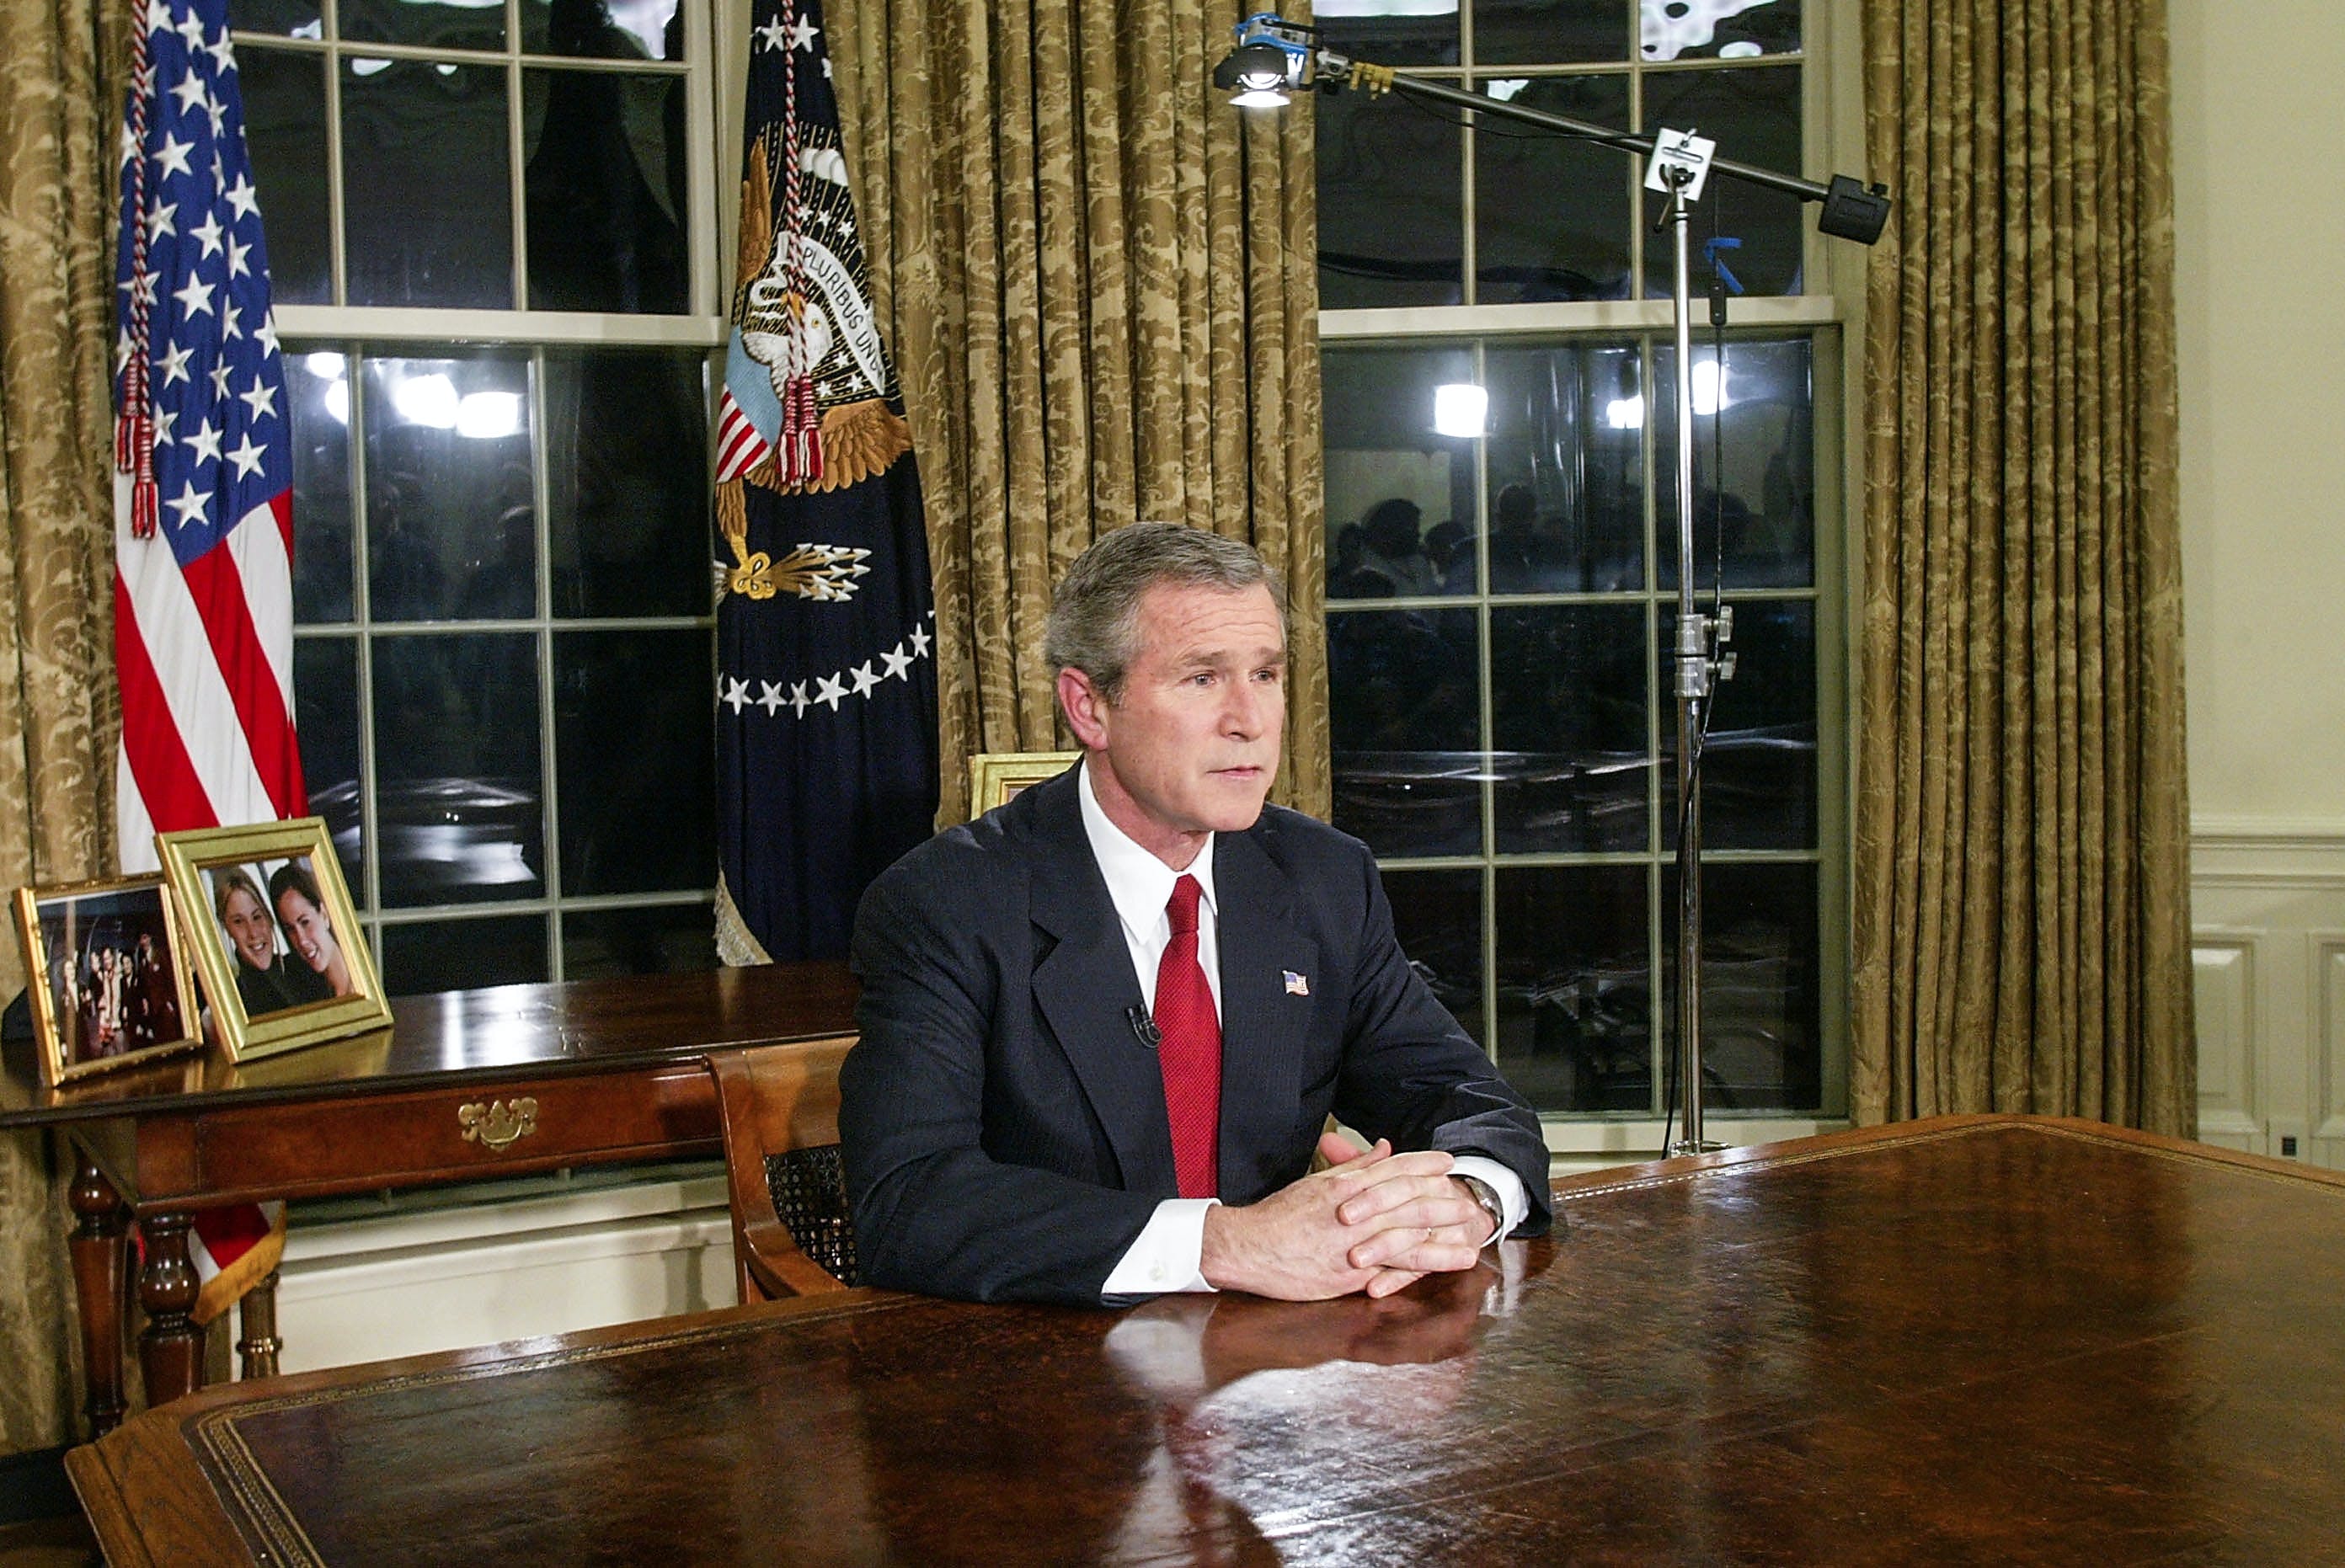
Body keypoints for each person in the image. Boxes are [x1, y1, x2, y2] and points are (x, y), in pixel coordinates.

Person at [841, 523, 1551, 1308]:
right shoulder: (946, 903)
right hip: (1053, 1351)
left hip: (1283, 1349)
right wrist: (1231, 1244)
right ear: (1088, 707)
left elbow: (1469, 1102)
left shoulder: (1322, 876)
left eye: (1266, 674)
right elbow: (908, 1202)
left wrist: (1463, 1201)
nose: (1251, 719)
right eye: (1202, 678)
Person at [216, 867, 332, 1015]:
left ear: (268, 917)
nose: (253, 932)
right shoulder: (233, 1003)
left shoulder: (308, 966)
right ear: (227, 928)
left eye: (257, 917)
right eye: (238, 921)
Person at [269, 861, 356, 1000]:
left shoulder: (366, 976)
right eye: (290, 929)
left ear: (324, 915)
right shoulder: (304, 992)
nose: (301, 940)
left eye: (305, 922)